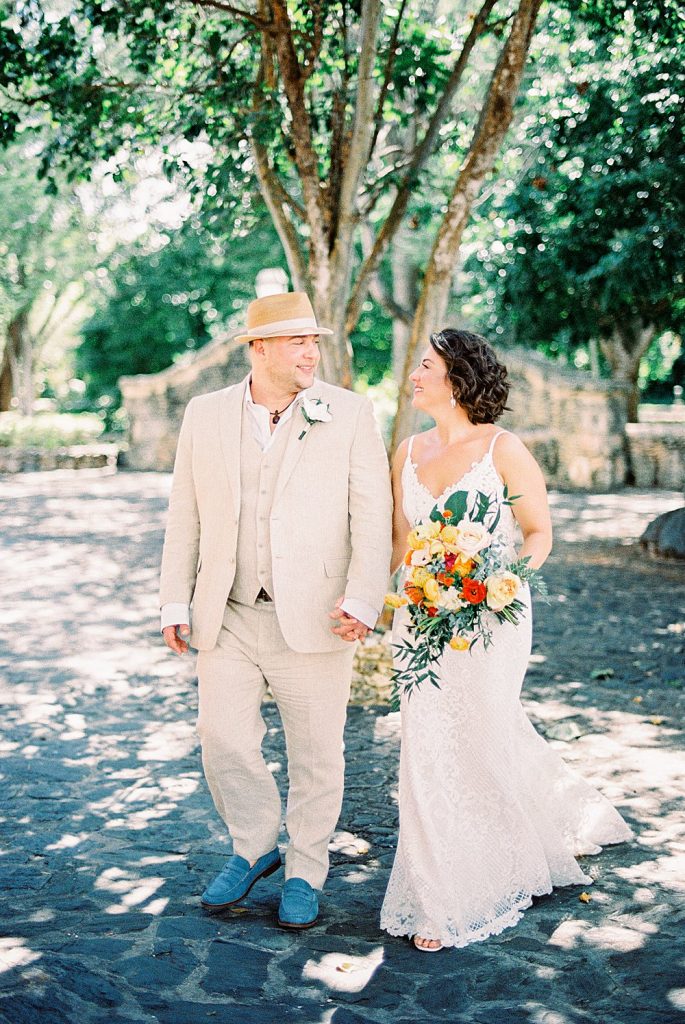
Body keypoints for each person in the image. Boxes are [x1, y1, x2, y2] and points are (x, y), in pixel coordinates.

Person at [380, 328, 632, 951]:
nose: (413, 374)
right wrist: (376, 603)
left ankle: (500, 864)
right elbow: (398, 544)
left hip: (492, 621)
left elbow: (538, 532)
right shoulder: (406, 452)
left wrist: (501, 578)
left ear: (458, 378)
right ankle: (442, 889)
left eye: (426, 365)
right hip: (421, 622)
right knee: (428, 749)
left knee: (483, 738)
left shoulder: (503, 449)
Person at [160, 291, 392, 929]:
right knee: (222, 737)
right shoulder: (204, 415)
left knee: (317, 752)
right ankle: (254, 846)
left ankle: (306, 868)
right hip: (227, 612)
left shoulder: (348, 413)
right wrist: (174, 600)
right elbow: (186, 514)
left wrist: (365, 598)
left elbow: (371, 517)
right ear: (258, 349)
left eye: (314, 340)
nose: (311, 351)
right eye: (297, 341)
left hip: (318, 615)